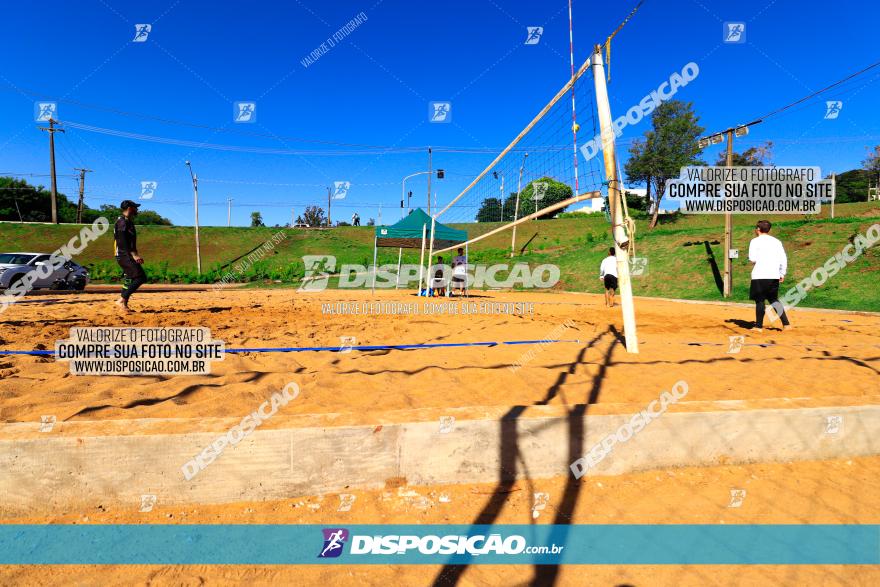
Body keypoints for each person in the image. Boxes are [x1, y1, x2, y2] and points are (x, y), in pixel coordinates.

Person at [748, 219, 791, 332]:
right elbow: (783, 258)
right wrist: (782, 273)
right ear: (769, 229)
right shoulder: (777, 242)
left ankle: (758, 326)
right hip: (773, 274)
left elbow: (752, 258)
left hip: (759, 274)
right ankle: (786, 324)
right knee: (774, 300)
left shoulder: (754, 241)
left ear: (758, 229)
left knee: (760, 300)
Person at [114, 200, 147, 313]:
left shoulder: (127, 221)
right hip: (124, 254)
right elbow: (122, 241)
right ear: (129, 208)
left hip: (125, 254)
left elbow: (130, 241)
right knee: (141, 277)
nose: (137, 209)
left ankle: (124, 305)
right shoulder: (122, 222)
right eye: (135, 207)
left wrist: (135, 253)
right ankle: (121, 300)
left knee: (131, 278)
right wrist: (134, 255)